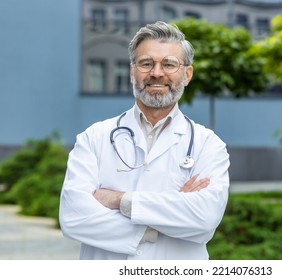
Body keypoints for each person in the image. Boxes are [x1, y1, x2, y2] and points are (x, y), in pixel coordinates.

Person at [59, 21, 230, 260]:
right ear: (132, 72)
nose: (157, 73)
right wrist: (166, 218)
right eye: (146, 63)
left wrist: (121, 201)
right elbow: (74, 218)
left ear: (187, 74)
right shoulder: (93, 138)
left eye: (169, 64)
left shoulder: (208, 145)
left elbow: (205, 218)